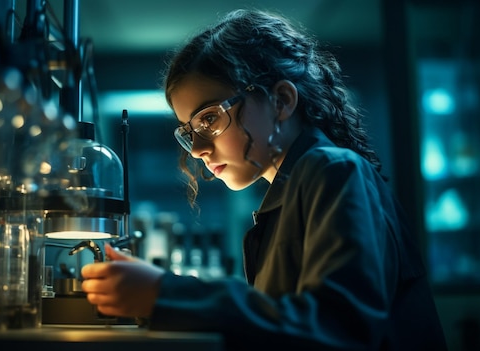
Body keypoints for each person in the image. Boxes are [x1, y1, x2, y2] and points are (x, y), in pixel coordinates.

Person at [80, 8, 447, 350]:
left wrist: (167, 294)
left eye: (209, 119)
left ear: (282, 101)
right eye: (188, 131)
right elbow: (280, 323)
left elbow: (339, 327)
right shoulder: (288, 196)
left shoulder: (332, 171)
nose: (196, 149)